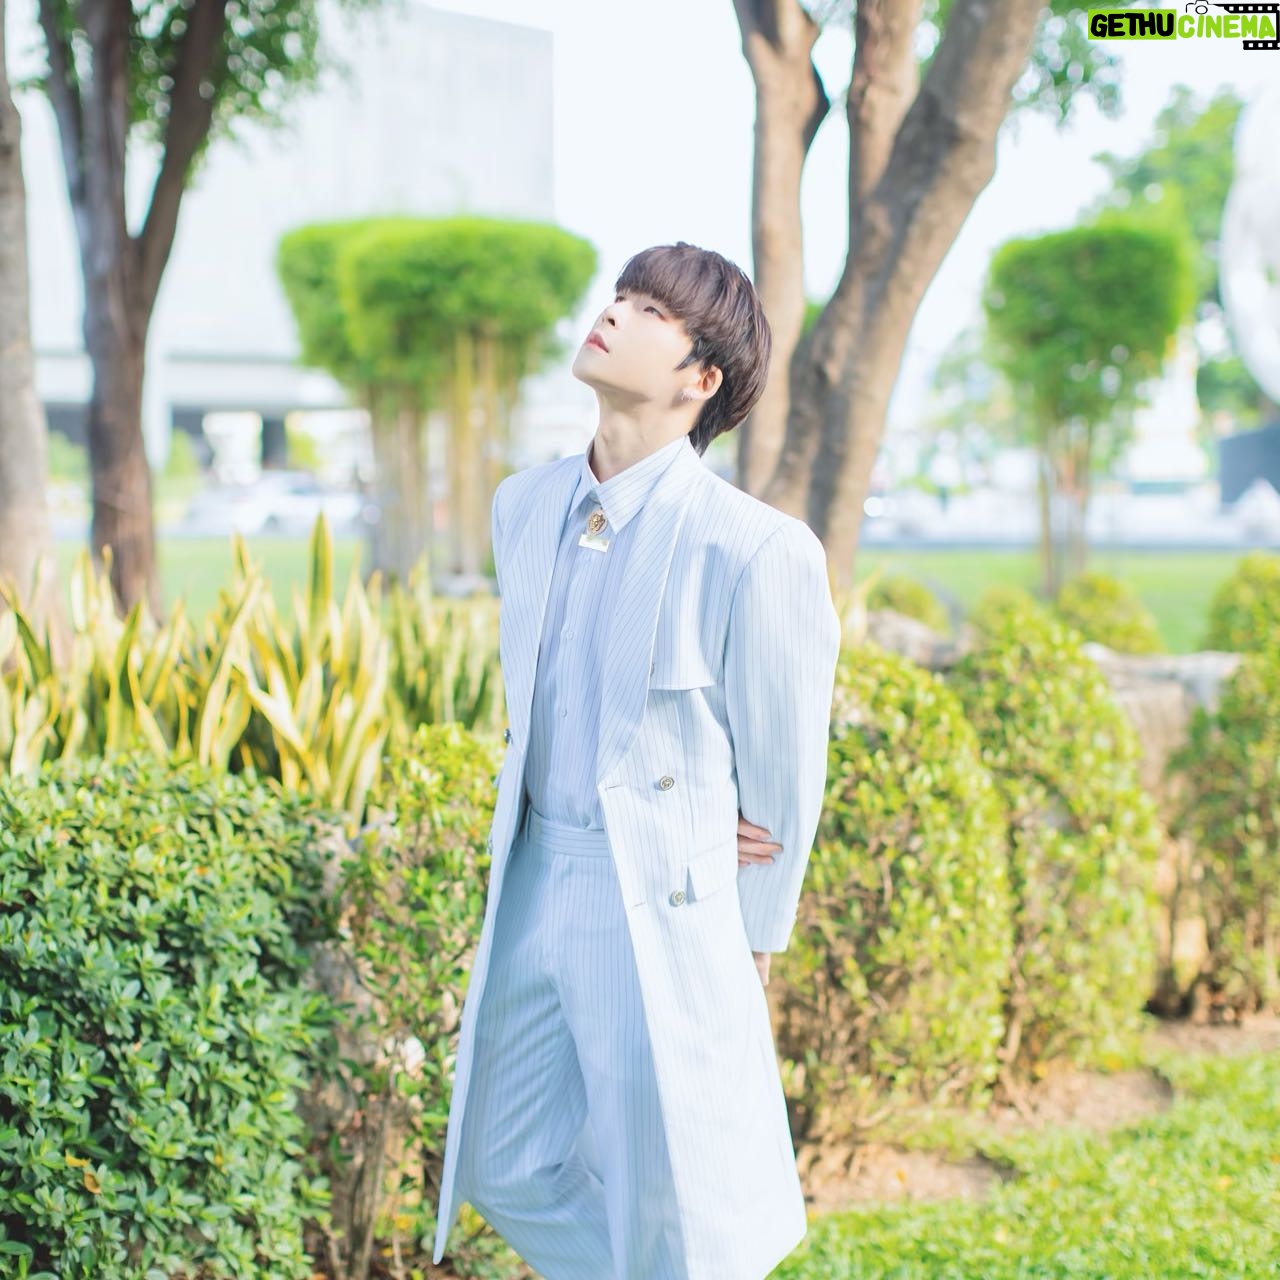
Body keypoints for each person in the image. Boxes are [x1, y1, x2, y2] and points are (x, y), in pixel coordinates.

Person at [432, 241, 842, 1279]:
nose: (614, 312)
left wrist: (750, 935)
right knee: (501, 1159)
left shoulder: (751, 546)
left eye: (652, 310)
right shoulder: (523, 505)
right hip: (535, 873)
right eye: (620, 295)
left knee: (670, 1191)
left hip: (654, 892)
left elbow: (783, 769)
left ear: (701, 379)